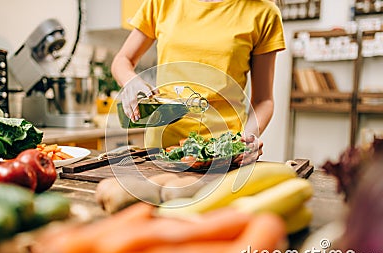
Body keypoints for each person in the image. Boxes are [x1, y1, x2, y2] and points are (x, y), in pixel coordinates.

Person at [112, 0, 286, 165]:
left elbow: (263, 100)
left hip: (223, 155)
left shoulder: (264, 13)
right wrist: (131, 81)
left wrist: (247, 140)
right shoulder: (162, 2)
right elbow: (122, 60)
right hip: (160, 150)